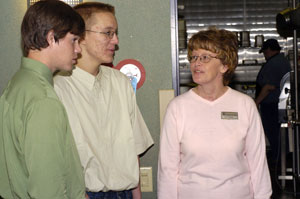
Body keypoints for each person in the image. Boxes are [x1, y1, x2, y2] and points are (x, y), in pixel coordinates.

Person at [53, 2, 154, 199]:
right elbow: (56, 161)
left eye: (115, 33)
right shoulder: (58, 88)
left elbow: (133, 148)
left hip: (125, 193)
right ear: (80, 35)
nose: (115, 41)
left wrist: (137, 194)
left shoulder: (121, 83)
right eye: (108, 33)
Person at [158, 27, 272, 199]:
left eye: (205, 57)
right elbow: (167, 169)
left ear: (224, 65)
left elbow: (258, 165)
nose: (196, 63)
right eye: (194, 57)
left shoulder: (245, 106)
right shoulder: (177, 108)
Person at [0, 1, 87, 198]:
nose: (78, 50)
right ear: (51, 38)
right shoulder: (43, 100)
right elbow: (48, 191)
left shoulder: (18, 84)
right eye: (73, 40)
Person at [255, 39, 291, 164]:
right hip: (281, 102)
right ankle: (282, 158)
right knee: (280, 133)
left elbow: (268, 87)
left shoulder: (273, 63)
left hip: (271, 104)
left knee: (273, 132)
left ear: (269, 50)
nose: (264, 55)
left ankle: (277, 160)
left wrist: (256, 102)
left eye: (264, 52)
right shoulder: (283, 61)